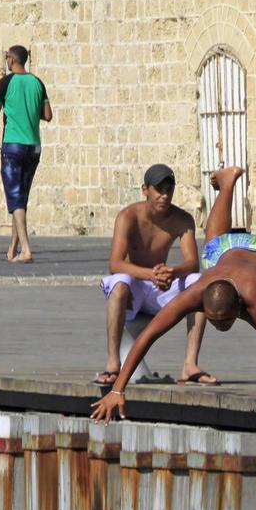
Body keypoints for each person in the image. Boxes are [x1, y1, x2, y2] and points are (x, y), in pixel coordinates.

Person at [91, 166, 256, 473]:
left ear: (239, 307)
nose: (220, 326)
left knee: (223, 245)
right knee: (213, 244)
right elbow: (148, 336)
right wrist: (118, 390)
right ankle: (228, 186)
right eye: (213, 321)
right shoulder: (199, 291)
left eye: (225, 322)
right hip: (229, 254)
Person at [97, 163, 216, 387]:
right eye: (158, 190)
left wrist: (173, 272)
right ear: (145, 189)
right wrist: (150, 274)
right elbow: (115, 263)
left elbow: (192, 263)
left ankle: (190, 365)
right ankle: (113, 363)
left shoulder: (182, 219)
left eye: (169, 190)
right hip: (136, 288)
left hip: (161, 287)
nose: (164, 195)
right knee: (120, 282)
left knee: (200, 282)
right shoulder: (128, 216)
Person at [0, 45, 53, 263]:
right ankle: (13, 248)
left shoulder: (6, 82)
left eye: (6, 57)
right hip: (34, 146)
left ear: (12, 59)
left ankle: (27, 250)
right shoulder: (37, 83)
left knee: (15, 197)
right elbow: (47, 115)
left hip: (13, 145)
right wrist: (30, 109)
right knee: (20, 197)